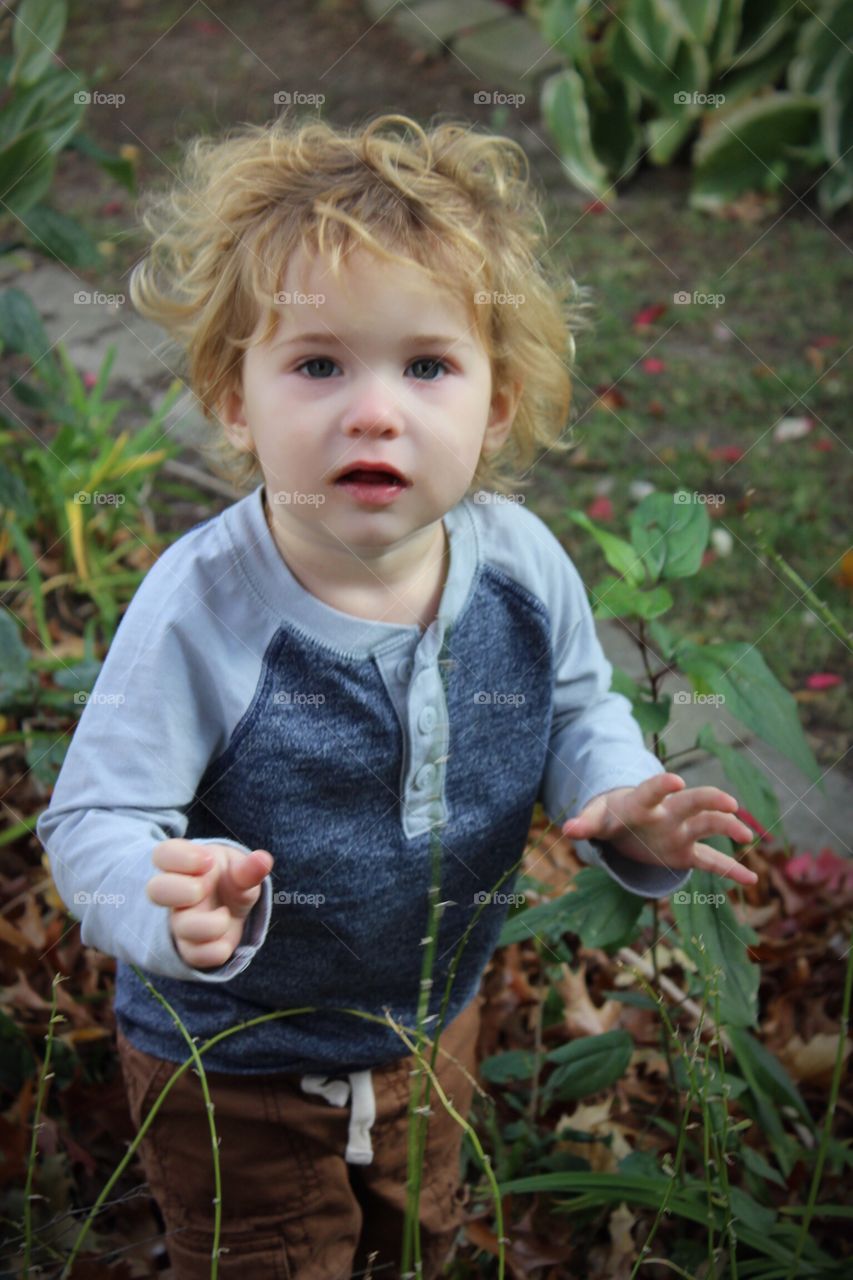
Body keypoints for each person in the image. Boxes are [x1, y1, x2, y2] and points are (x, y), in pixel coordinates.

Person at [37, 111, 758, 1280]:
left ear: (499, 404)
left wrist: (622, 795)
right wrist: (161, 902)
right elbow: (91, 822)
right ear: (234, 399)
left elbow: (576, 710)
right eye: (318, 364)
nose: (374, 411)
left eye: (426, 365)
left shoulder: (520, 565)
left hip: (429, 1029)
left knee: (411, 1236)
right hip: (236, 1066)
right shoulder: (205, 609)